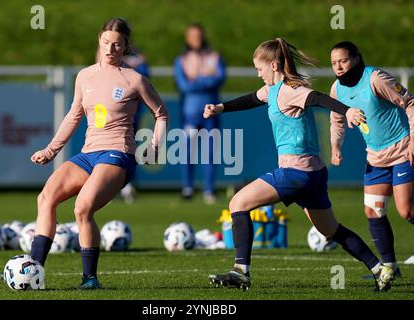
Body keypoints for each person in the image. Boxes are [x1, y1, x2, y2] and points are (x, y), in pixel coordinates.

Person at [204, 38, 393, 292]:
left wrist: (346, 110)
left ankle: (241, 271)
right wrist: (221, 108)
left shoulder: (289, 90)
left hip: (296, 173)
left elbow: (317, 98)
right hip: (313, 176)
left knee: (237, 203)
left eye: (259, 68)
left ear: (273, 65)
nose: (258, 73)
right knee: (330, 229)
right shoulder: (271, 91)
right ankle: (379, 268)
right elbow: (251, 99)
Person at [30, 17, 168, 289]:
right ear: (99, 41)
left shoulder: (134, 79)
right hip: (88, 153)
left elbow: (162, 114)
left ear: (126, 46)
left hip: (118, 154)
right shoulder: (85, 76)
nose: (110, 49)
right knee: (46, 197)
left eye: (117, 45)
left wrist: (154, 146)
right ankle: (32, 269)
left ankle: (90, 279)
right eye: (106, 43)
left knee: (82, 208)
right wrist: (50, 150)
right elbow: (73, 116)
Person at [329, 41, 414, 279]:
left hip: (402, 150)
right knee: (373, 211)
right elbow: (336, 119)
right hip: (375, 158)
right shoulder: (336, 88)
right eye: (334, 62)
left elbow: (410, 103)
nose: (338, 66)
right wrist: (336, 146)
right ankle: (390, 267)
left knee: (406, 211)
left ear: (356, 58)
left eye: (343, 60)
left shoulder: (375, 78)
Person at [174, 23, 226, 204]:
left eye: (198, 35)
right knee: (188, 150)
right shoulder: (182, 59)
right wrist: (206, 78)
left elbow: (220, 78)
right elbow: (183, 85)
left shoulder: (214, 56)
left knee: (210, 151)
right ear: (187, 37)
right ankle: (187, 187)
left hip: (211, 111)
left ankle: (209, 189)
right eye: (192, 35)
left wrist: (197, 79)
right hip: (190, 112)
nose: (196, 38)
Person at [96, 46, 151, 203]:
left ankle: (125, 185)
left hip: (131, 108)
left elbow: (143, 77)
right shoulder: (105, 51)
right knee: (105, 145)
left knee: (128, 145)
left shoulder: (137, 56)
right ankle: (105, 185)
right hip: (107, 107)